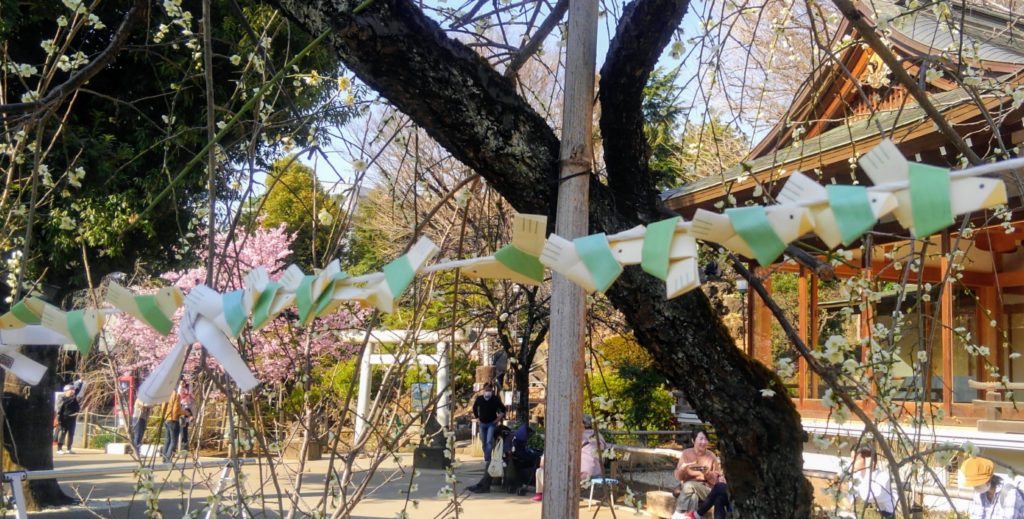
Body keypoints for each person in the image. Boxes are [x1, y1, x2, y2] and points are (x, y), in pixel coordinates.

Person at [532, 415, 604, 502]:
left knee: (541, 471)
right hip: (597, 471)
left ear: (581, 425)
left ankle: (547, 494)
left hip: (580, 472)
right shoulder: (599, 435)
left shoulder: (577, 435)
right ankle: (550, 493)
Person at [672, 429, 730, 519]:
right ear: (693, 440)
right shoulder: (686, 454)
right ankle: (689, 517)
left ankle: (679, 513)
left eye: (706, 439)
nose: (704, 442)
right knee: (693, 496)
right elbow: (679, 477)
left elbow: (716, 481)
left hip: (706, 490)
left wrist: (707, 473)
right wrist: (682, 469)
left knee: (689, 485)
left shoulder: (711, 456)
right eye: (701, 439)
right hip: (688, 490)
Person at [960, 456, 1024, 519]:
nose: (975, 486)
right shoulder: (979, 494)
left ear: (989, 479)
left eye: (977, 483)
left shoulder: (1010, 493)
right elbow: (976, 515)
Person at [850, 445, 894, 518]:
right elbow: (850, 497)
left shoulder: (883, 478)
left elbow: (867, 496)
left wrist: (868, 471)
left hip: (886, 515)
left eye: (856, 460)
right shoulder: (858, 475)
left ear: (869, 461)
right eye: (851, 459)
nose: (852, 463)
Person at [472, 383, 506, 468]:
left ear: (492, 391)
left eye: (489, 390)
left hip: (492, 423)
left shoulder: (495, 399)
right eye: (486, 390)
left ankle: (487, 459)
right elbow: (474, 408)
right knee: (483, 441)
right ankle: (487, 456)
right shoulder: (479, 399)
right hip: (482, 423)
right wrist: (477, 418)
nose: (488, 392)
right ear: (483, 390)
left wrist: (498, 419)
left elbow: (503, 409)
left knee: (489, 441)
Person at [161, 391, 190, 463]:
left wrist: (165, 415)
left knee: (167, 440)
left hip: (166, 418)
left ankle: (164, 458)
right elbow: (176, 409)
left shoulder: (166, 394)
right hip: (173, 419)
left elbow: (163, 407)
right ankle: (168, 459)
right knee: (173, 441)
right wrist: (185, 412)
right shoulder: (176, 395)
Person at [55, 384, 80, 454]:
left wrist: (77, 412)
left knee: (71, 434)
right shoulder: (61, 397)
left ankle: (69, 448)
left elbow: (77, 407)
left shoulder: (74, 398)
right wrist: (59, 418)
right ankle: (59, 449)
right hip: (64, 418)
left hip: (72, 418)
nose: (72, 391)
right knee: (62, 433)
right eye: (71, 390)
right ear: (66, 391)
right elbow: (58, 407)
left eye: (73, 390)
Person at [177, 380, 194, 452]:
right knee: (183, 430)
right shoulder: (180, 390)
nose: (183, 384)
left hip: (187, 408)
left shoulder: (187, 391)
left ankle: (184, 447)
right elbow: (179, 391)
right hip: (183, 408)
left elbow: (191, 395)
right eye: (181, 383)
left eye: (183, 383)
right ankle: (182, 447)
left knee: (185, 430)